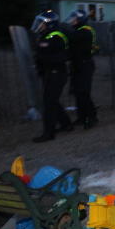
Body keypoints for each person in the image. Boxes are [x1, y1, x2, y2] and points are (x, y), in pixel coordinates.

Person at [31, 9, 73, 143]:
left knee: (49, 103)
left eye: (42, 23)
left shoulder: (57, 37)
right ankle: (66, 124)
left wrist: (41, 57)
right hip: (50, 74)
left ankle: (48, 133)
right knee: (52, 100)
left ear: (49, 24)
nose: (40, 25)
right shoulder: (46, 36)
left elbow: (60, 58)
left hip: (56, 74)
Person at [66, 9, 98, 129]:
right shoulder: (77, 30)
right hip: (77, 64)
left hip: (85, 65)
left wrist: (60, 29)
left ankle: (92, 117)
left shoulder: (86, 31)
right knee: (77, 92)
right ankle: (81, 116)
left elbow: (72, 37)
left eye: (74, 19)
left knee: (84, 92)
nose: (72, 21)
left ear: (80, 20)